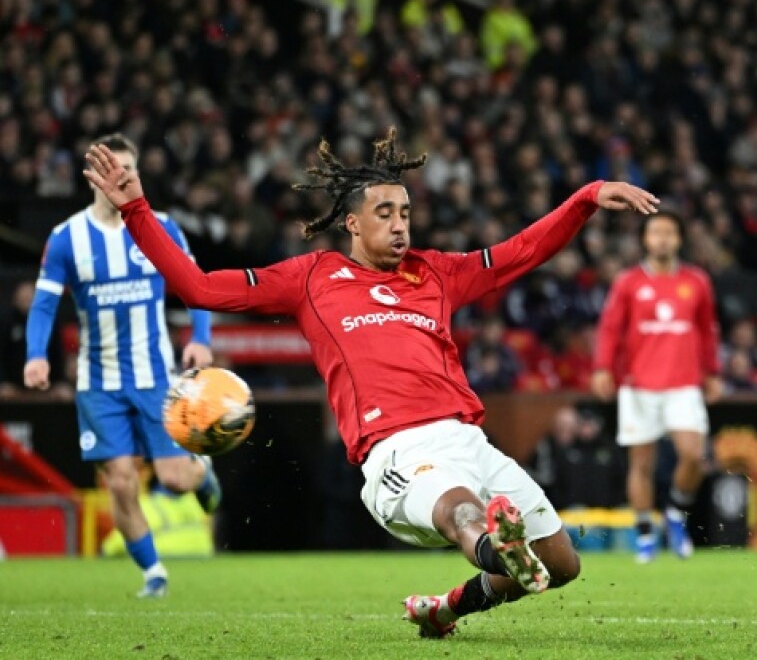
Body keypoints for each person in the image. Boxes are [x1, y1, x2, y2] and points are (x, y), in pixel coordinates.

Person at [83, 129, 658, 639]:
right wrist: (136, 209)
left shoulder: (436, 273)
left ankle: (446, 607)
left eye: (405, 212)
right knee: (462, 511)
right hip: (397, 452)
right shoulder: (312, 278)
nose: (400, 224)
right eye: (384, 213)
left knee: (562, 565)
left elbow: (521, 252)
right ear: (352, 223)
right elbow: (200, 288)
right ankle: (493, 546)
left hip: (469, 440)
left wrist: (586, 198)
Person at [24, 133, 220, 599]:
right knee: (120, 482)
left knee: (173, 478)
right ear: (94, 175)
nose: (122, 177)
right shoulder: (67, 238)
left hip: (155, 378)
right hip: (99, 385)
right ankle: (154, 573)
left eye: (129, 170)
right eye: (114, 169)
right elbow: (44, 304)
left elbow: (196, 286)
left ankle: (201, 472)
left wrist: (201, 339)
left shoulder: (161, 227)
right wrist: (35, 355)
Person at [591, 211, 721, 563]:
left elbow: (708, 329)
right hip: (639, 384)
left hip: (684, 381)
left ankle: (676, 512)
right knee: (641, 463)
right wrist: (603, 367)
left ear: (679, 239)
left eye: (669, 233)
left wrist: (712, 372)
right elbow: (610, 328)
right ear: (645, 240)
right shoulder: (628, 282)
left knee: (694, 455)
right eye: (656, 233)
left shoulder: (697, 281)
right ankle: (646, 533)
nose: (662, 239)